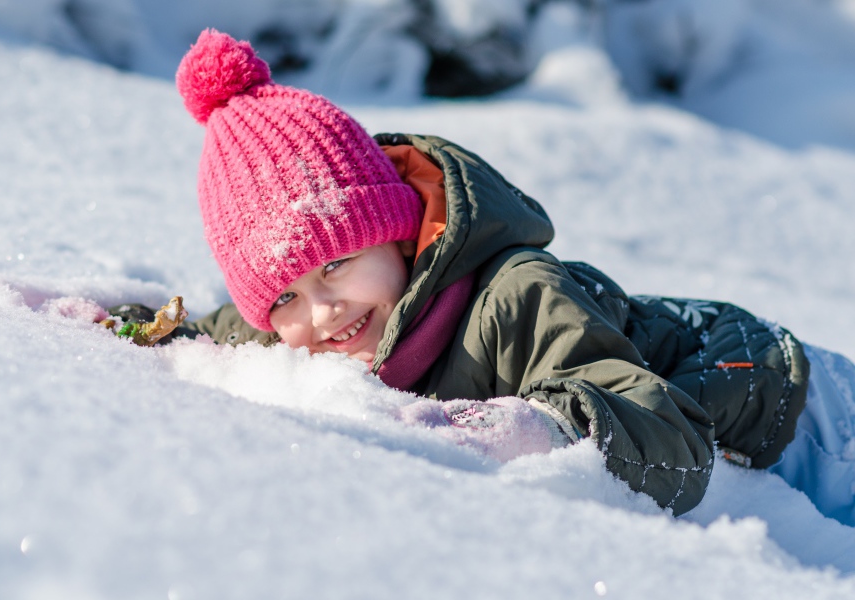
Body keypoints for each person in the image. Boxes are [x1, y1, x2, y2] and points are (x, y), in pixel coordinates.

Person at [114, 29, 855, 524]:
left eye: (338, 263)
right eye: (285, 295)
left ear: (400, 236)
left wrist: (538, 427)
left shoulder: (515, 295)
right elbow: (226, 327)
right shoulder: (297, 323)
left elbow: (668, 439)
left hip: (791, 410)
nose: (322, 309)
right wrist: (140, 328)